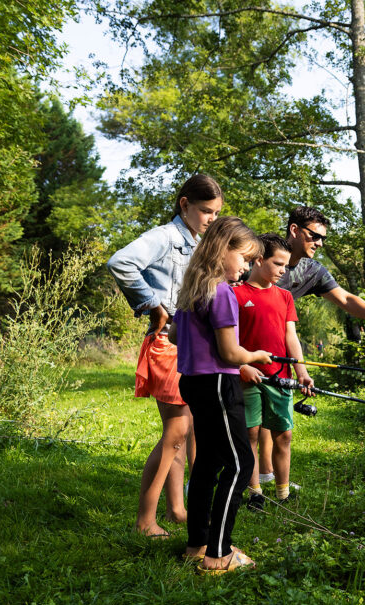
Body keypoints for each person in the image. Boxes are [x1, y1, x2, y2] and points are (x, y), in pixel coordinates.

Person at [254, 206, 365, 485]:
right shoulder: (262, 255)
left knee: (271, 415)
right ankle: (210, 477)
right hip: (240, 347)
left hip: (277, 349)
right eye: (314, 236)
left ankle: (266, 474)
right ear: (294, 230)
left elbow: (345, 299)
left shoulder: (312, 270)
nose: (320, 243)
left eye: (322, 237)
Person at [106, 174, 223, 537]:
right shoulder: (166, 237)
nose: (211, 219)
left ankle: (176, 509)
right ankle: (144, 521)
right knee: (176, 430)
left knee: (181, 431)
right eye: (205, 211)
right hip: (167, 345)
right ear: (184, 204)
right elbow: (120, 262)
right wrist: (153, 304)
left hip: (186, 344)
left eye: (216, 213)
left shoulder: (195, 242)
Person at [168, 216, 270, 573]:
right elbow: (230, 354)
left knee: (209, 464)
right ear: (222, 248)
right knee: (241, 465)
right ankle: (218, 554)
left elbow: (174, 337)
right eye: (243, 258)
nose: (245, 267)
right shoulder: (221, 292)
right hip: (218, 385)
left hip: (193, 382)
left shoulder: (192, 290)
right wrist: (255, 355)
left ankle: (197, 544)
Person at [234, 234, 315, 510]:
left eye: (286, 265)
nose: (284, 270)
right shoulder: (235, 294)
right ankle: (254, 492)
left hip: (280, 377)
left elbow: (290, 336)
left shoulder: (285, 297)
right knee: (251, 434)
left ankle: (283, 493)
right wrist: (241, 366)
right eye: (278, 263)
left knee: (284, 434)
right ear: (258, 260)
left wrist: (300, 370)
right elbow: (226, 341)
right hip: (247, 378)